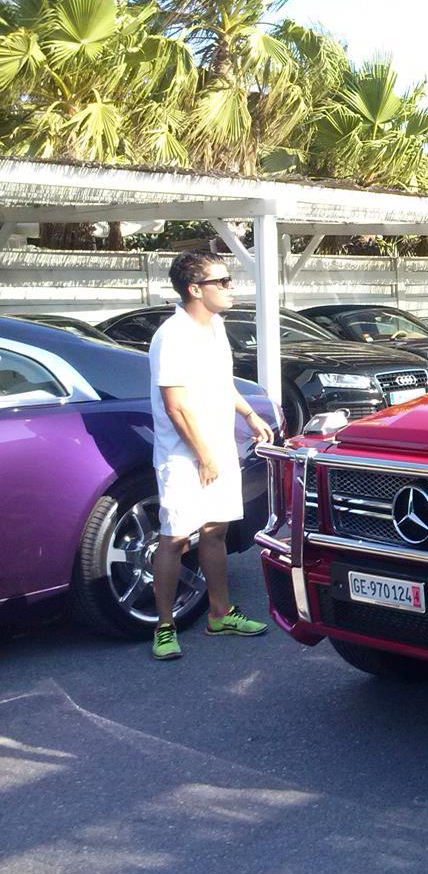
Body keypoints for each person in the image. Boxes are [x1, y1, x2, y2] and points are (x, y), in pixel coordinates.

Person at [148, 252, 275, 659]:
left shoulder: (216, 327)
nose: (229, 287)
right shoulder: (172, 335)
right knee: (175, 537)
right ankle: (164, 627)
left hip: (218, 449)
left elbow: (223, 385)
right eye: (221, 282)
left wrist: (250, 415)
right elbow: (175, 406)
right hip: (183, 456)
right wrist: (203, 454)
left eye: (228, 280)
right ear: (194, 289)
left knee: (215, 532)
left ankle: (220, 613)